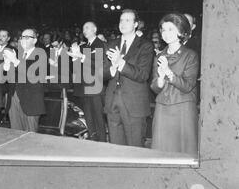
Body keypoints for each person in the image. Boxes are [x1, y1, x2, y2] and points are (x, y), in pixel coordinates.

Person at [151, 13, 199, 156]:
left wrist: (168, 72)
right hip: (162, 109)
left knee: (183, 152)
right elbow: (154, 87)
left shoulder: (190, 55)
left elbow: (188, 86)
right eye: (163, 30)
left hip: (182, 108)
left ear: (181, 31)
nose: (166, 33)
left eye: (171, 29)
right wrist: (160, 78)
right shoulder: (159, 56)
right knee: (161, 152)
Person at [104, 9, 154, 147]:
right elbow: (101, 73)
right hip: (112, 100)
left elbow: (143, 75)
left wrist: (121, 63)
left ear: (136, 24)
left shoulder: (145, 45)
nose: (123, 23)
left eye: (127, 20)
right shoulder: (111, 44)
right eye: (121, 20)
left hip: (134, 103)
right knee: (115, 147)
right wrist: (113, 69)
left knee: (134, 148)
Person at [68, 22, 106, 142]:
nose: (84, 30)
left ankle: (102, 142)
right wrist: (74, 58)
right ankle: (93, 139)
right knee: (89, 117)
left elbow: (99, 65)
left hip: (95, 86)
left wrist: (82, 57)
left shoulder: (100, 44)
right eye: (83, 28)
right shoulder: (83, 47)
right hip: (85, 86)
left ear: (95, 29)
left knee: (98, 117)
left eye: (87, 27)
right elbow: (77, 68)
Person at [2, 28, 46, 132]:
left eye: (27, 37)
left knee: (30, 136)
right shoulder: (18, 54)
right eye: (22, 37)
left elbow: (32, 74)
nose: (23, 40)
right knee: (15, 134)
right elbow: (6, 78)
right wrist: (7, 64)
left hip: (31, 102)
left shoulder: (41, 54)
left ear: (35, 40)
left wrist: (15, 61)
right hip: (14, 98)